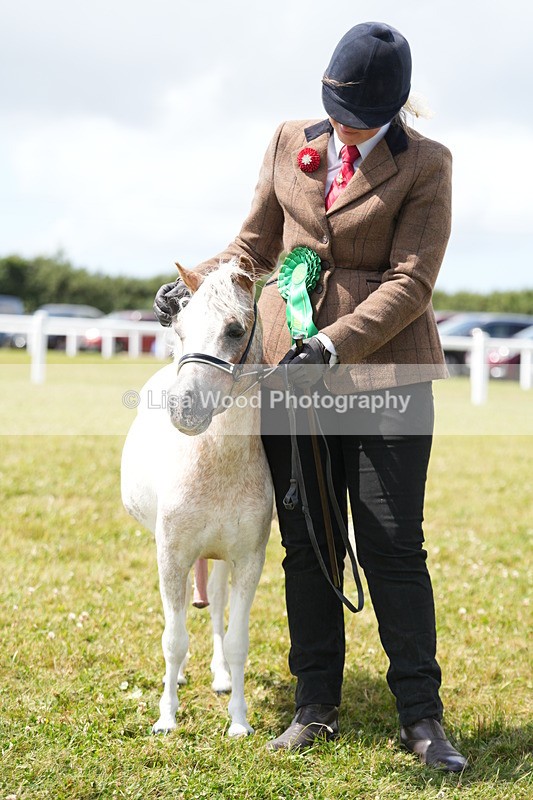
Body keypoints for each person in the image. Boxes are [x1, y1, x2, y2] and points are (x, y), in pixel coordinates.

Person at [154, 21, 468, 772]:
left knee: (392, 545)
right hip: (282, 373)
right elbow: (253, 246)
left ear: (394, 109)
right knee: (305, 542)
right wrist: (195, 281)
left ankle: (420, 716)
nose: (342, 129)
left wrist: (329, 344)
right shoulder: (287, 139)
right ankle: (313, 704)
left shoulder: (425, 164)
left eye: (361, 117)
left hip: (383, 377)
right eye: (336, 109)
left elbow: (410, 282)